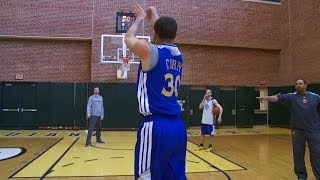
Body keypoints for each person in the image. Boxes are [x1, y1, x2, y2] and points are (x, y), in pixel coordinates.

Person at [125, 5, 187, 180]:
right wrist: (155, 15)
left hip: (155, 126)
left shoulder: (149, 51)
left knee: (147, 176)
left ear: (155, 34)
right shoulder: (178, 55)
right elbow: (163, 34)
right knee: (174, 175)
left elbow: (129, 38)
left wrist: (139, 18)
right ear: (174, 34)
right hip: (177, 128)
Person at [257, 79, 320, 180]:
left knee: (317, 155)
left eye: (300, 84)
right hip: (298, 131)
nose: (298, 85)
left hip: (314, 131)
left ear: (306, 85)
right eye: (296, 84)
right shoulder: (292, 97)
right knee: (298, 155)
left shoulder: (316, 97)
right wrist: (267, 97)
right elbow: (278, 98)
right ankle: (301, 177)